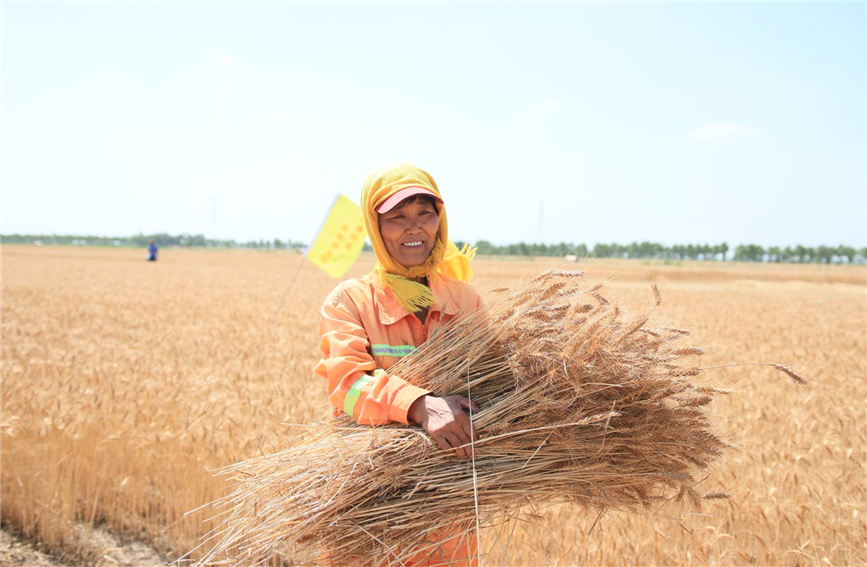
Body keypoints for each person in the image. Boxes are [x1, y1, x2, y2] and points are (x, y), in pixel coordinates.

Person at [314, 162, 483, 567]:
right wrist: (420, 405)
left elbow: (492, 384)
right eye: (397, 218)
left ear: (439, 220)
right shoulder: (349, 301)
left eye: (425, 213)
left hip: (449, 503)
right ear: (376, 227)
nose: (414, 228)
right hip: (371, 499)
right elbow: (347, 386)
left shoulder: (466, 302)